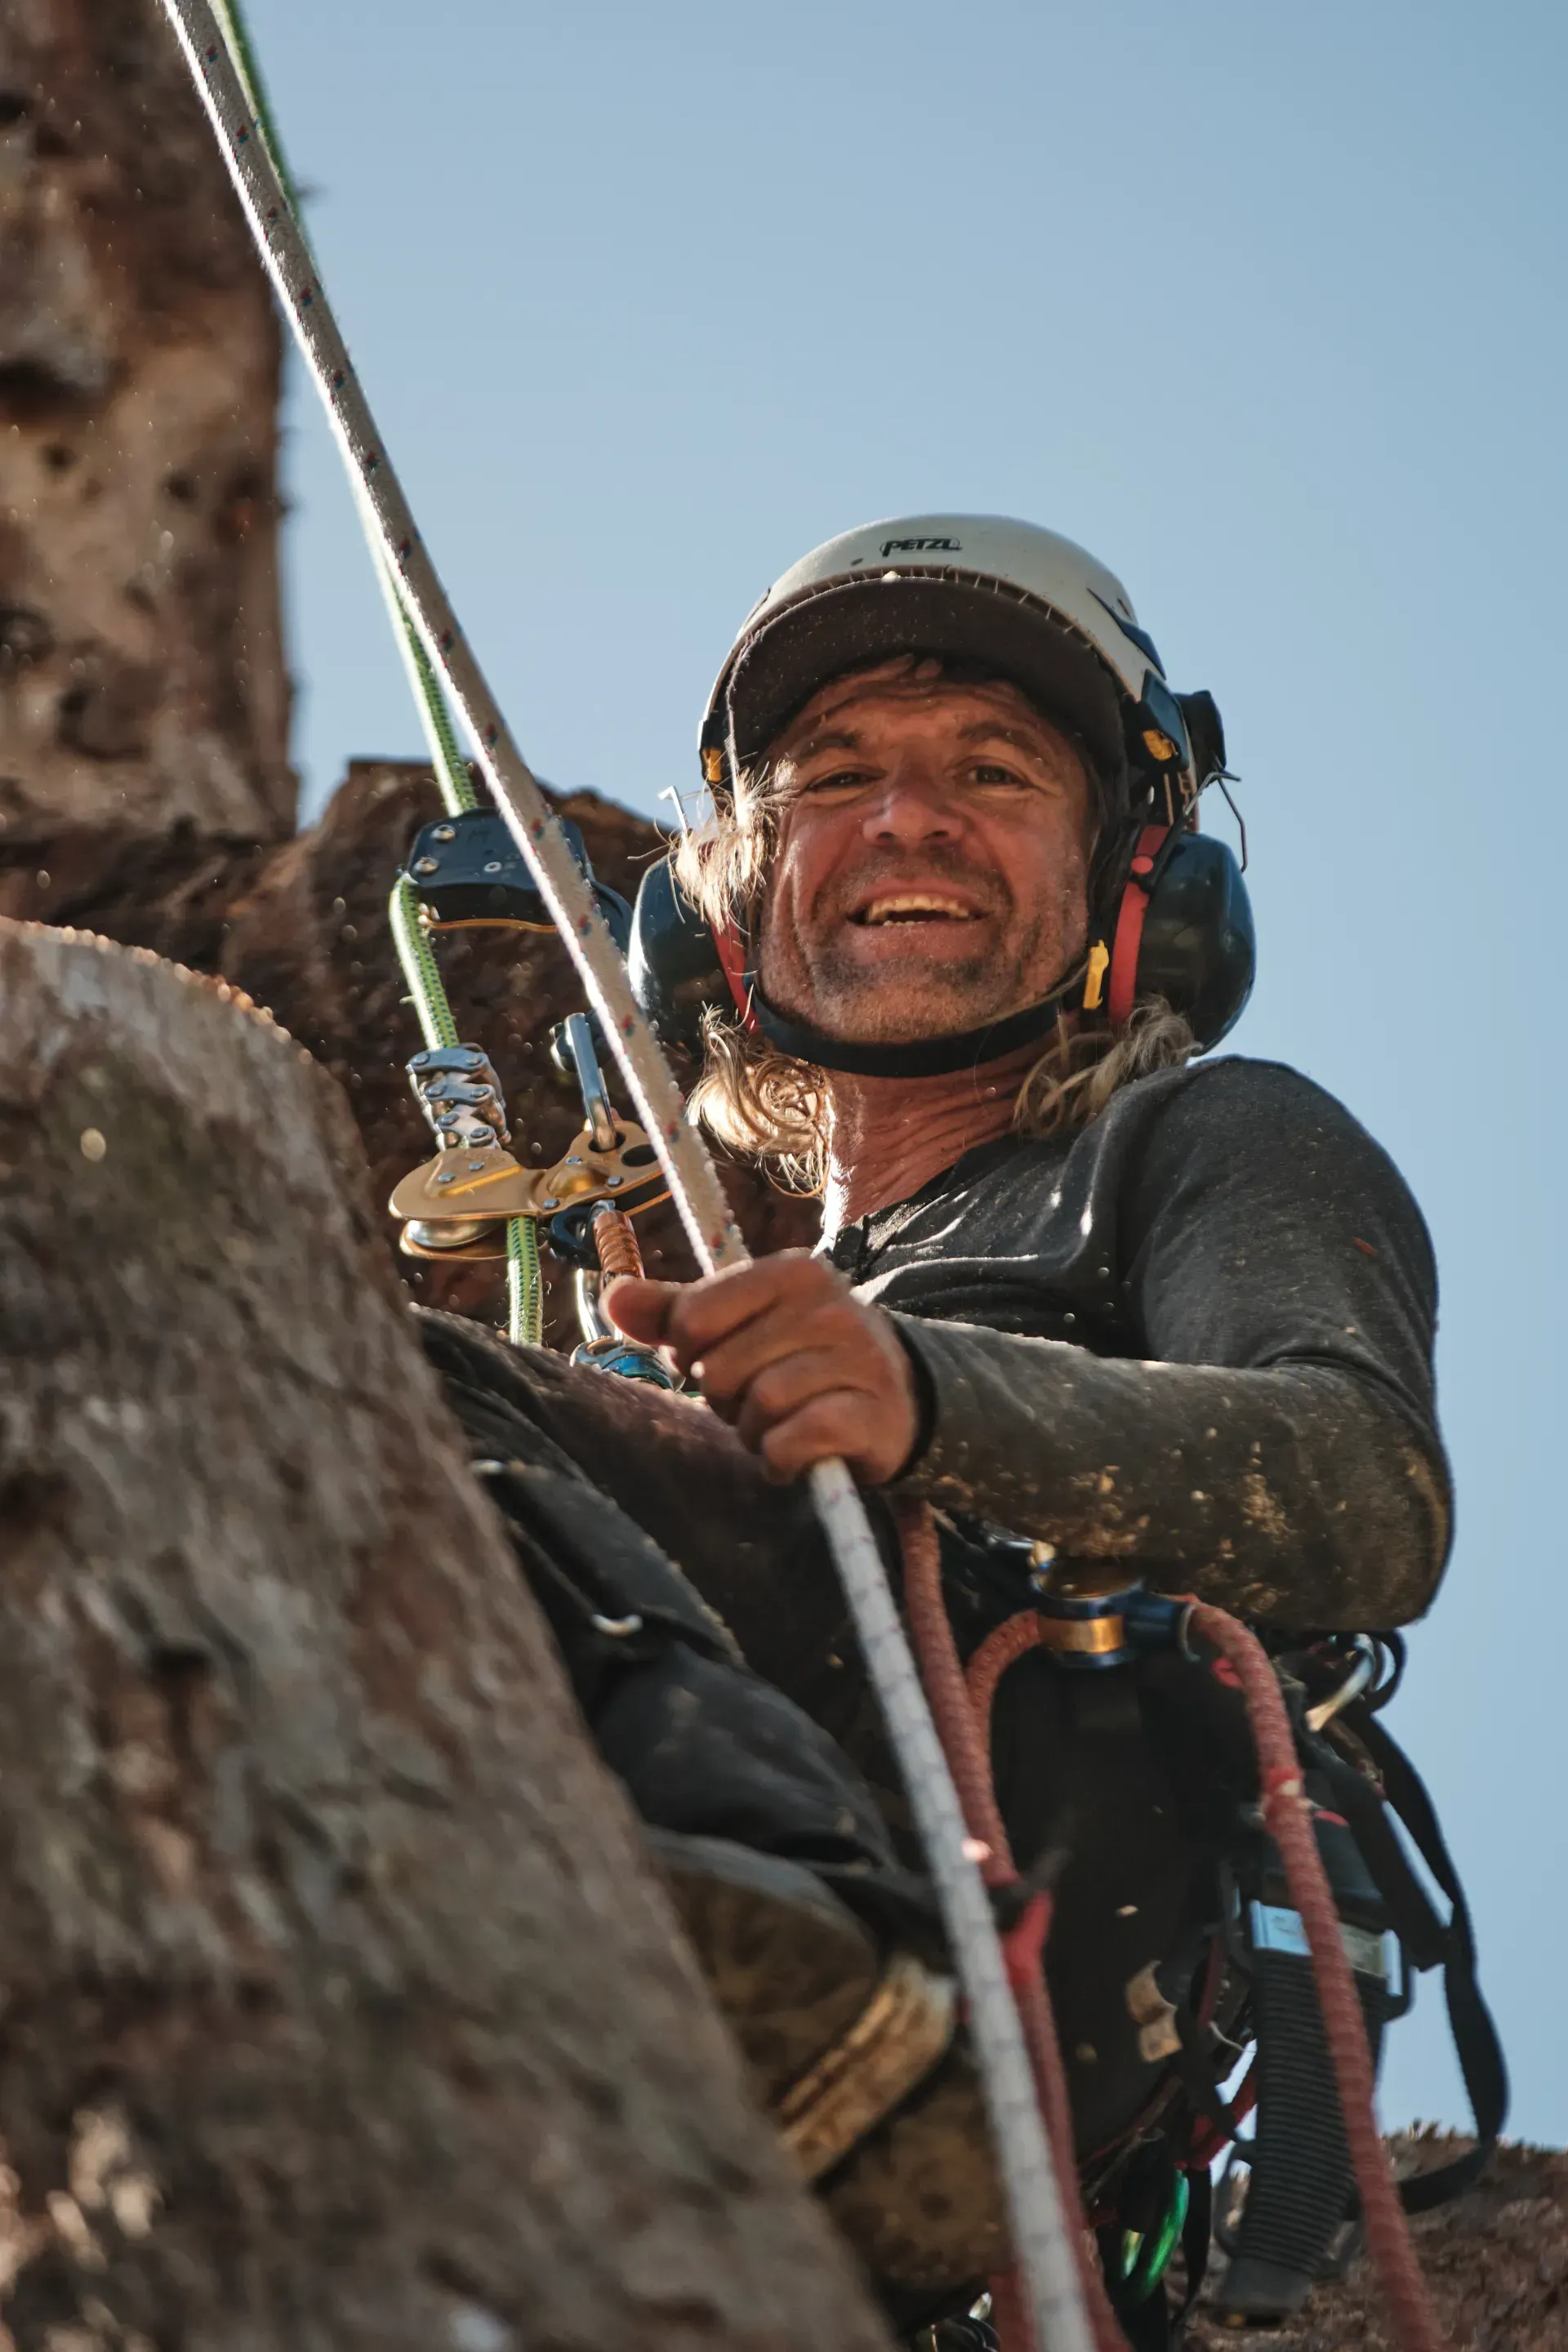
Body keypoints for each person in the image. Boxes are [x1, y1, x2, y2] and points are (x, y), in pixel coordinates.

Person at [416, 516, 1450, 2334]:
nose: (907, 821)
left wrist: (929, 1400)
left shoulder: (1200, 1142)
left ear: (1141, 881)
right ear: (727, 901)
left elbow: (1362, 1492)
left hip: (1014, 1911)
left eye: (992, 772)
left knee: (398, 1394)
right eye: (837, 780)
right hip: (577, 1985)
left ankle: (817, 1970)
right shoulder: (755, 1301)